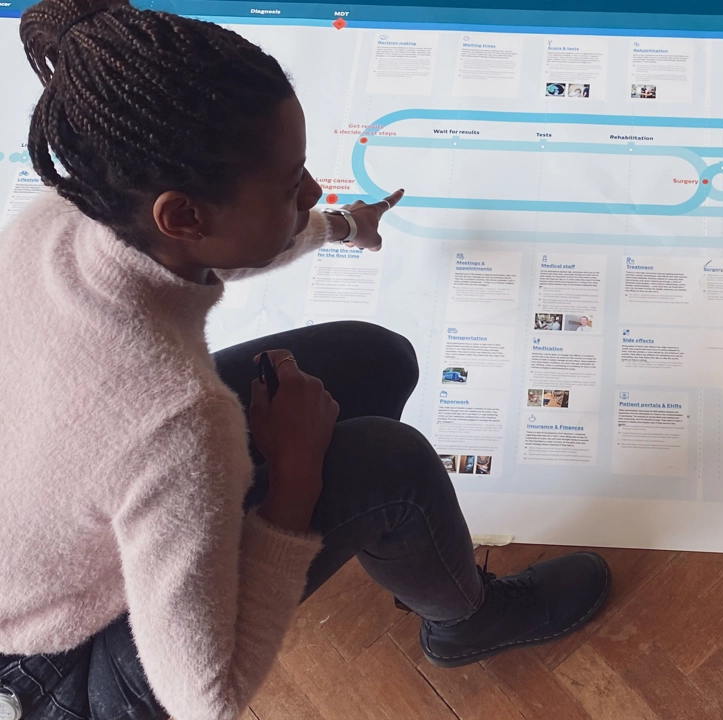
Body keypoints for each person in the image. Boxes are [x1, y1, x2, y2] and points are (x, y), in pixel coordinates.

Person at [0, 0, 611, 718]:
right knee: (394, 469)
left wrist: (343, 227)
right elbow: (206, 697)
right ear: (184, 215)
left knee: (377, 361)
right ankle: (467, 621)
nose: (314, 190)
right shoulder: (179, 420)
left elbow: (212, 252)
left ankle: (392, 540)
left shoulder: (68, 216)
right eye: (290, 182)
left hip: (50, 537)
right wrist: (296, 478)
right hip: (58, 674)